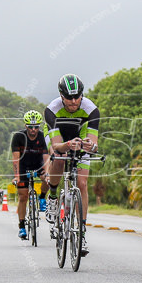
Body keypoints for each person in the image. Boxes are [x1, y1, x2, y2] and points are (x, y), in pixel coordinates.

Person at [44, 74, 99, 255]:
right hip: (60, 137)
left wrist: (91, 146)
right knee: (59, 157)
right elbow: (56, 145)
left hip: (79, 138)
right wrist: (67, 145)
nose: (74, 101)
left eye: (77, 97)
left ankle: (81, 233)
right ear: (61, 96)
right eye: (69, 98)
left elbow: (93, 144)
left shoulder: (91, 110)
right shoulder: (52, 110)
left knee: (82, 183)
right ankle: (52, 196)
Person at [11, 110, 51, 240]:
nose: (33, 130)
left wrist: (46, 172)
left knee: (48, 178)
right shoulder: (18, 137)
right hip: (23, 165)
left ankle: (42, 197)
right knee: (23, 197)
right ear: (25, 126)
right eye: (30, 127)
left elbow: (46, 157)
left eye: (36, 127)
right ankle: (22, 226)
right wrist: (17, 177)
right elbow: (16, 159)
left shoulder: (42, 136)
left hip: (39, 163)